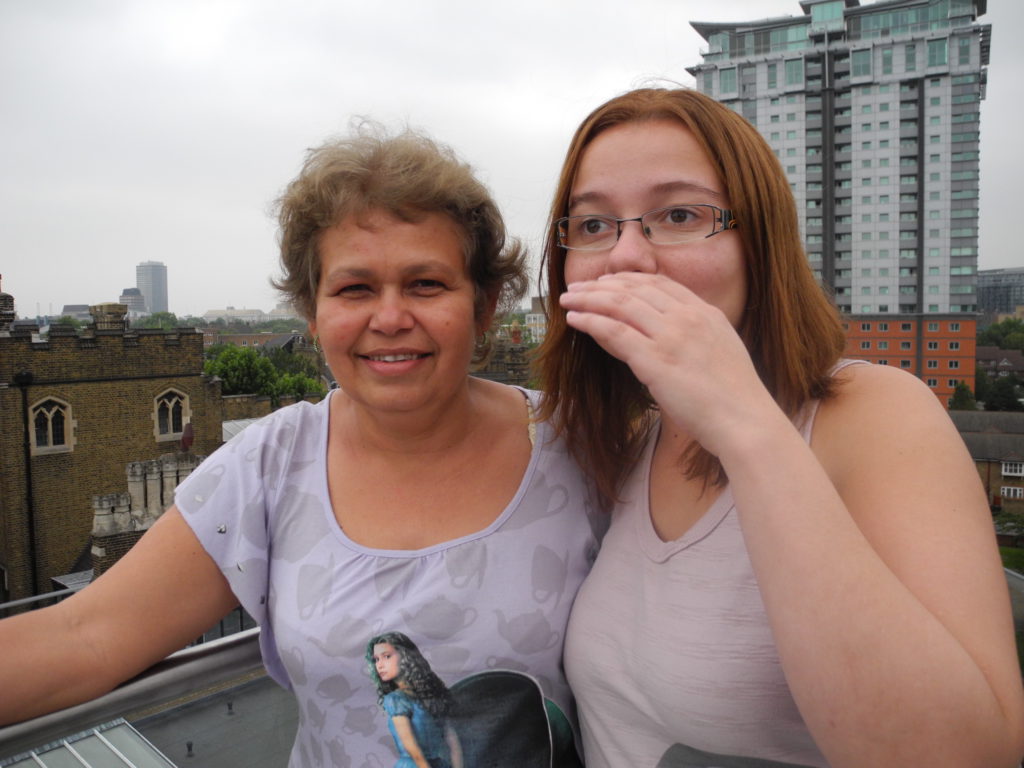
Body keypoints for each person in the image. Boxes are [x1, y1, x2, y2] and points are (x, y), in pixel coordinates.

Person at [0, 125, 598, 766]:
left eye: (426, 284)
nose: (390, 317)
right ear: (312, 315)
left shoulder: (582, 446)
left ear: (483, 307)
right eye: (354, 288)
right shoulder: (271, 465)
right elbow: (86, 635)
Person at [535, 87, 1024, 767]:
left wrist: (743, 421)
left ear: (759, 243)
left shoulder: (876, 415)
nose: (625, 256)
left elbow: (965, 755)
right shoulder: (629, 444)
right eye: (592, 225)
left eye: (678, 214)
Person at [368, 632, 462, 768]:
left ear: (406, 656)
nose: (380, 665)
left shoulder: (396, 700)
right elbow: (454, 745)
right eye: (376, 659)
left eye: (386, 656)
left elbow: (415, 752)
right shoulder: (433, 696)